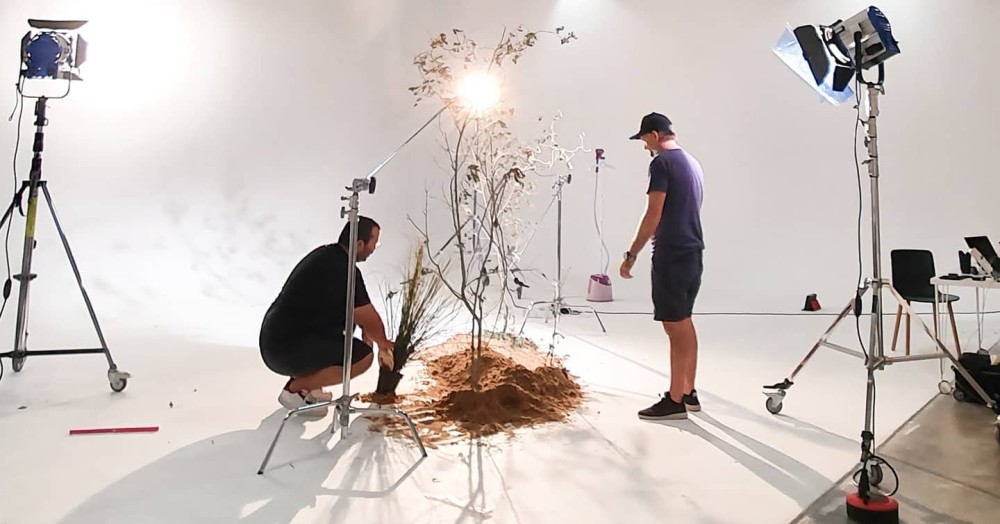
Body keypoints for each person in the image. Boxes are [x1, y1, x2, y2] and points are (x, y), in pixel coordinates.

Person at [258, 216, 394, 417]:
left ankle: (311, 389)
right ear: (359, 243)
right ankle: (295, 389)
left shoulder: (326, 256)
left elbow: (359, 315)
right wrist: (384, 345)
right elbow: (369, 318)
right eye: (375, 243)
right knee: (363, 358)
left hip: (275, 341)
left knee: (347, 330)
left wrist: (369, 332)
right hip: (285, 349)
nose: (374, 249)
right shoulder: (345, 271)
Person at [620, 112, 705, 421]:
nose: (645, 146)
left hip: (672, 255)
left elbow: (653, 213)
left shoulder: (662, 164)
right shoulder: (692, 163)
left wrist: (632, 254)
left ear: (655, 135)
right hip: (693, 252)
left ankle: (675, 400)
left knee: (674, 327)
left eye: (644, 139)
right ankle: (688, 391)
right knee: (684, 323)